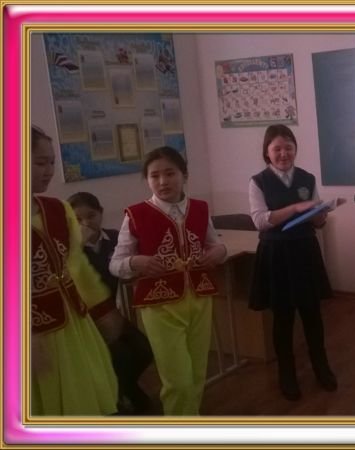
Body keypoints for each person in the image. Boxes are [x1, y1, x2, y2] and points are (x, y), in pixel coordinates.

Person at [109, 146, 226, 415]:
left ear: (184, 175)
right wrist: (135, 262)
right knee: (178, 381)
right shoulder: (136, 214)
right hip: (160, 305)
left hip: (200, 298)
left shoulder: (199, 208)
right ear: (147, 179)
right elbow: (115, 264)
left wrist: (219, 252)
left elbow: (216, 244)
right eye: (155, 176)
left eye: (170, 173)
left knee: (197, 374)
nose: (163, 182)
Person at [30, 125, 118, 415]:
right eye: (40, 163)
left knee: (85, 393)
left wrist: (103, 309)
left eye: (52, 162)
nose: (49, 171)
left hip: (72, 322)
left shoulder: (58, 209)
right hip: (33, 329)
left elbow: (77, 265)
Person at [248, 124, 337, 401]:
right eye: (277, 149)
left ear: (295, 149)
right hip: (276, 254)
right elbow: (260, 220)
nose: (283, 153)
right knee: (283, 317)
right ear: (267, 152)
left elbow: (317, 219)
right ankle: (286, 373)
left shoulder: (307, 178)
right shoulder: (258, 181)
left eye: (289, 147)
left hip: (304, 250)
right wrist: (296, 208)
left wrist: (320, 216)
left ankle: (321, 367)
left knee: (312, 314)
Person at [67, 191, 154, 415]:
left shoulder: (114, 239)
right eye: (77, 219)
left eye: (91, 216)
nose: (86, 223)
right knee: (120, 356)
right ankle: (122, 399)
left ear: (101, 213)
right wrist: (77, 246)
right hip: (88, 319)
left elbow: (126, 267)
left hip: (114, 313)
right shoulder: (69, 250)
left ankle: (123, 391)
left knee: (144, 350)